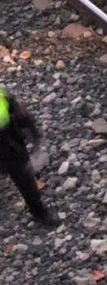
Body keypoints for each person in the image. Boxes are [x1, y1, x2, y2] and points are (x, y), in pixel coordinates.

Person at [1, 86, 60, 227]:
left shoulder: (3, 96)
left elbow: (24, 118)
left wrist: (35, 140)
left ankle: (39, 212)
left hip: (9, 144)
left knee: (25, 180)